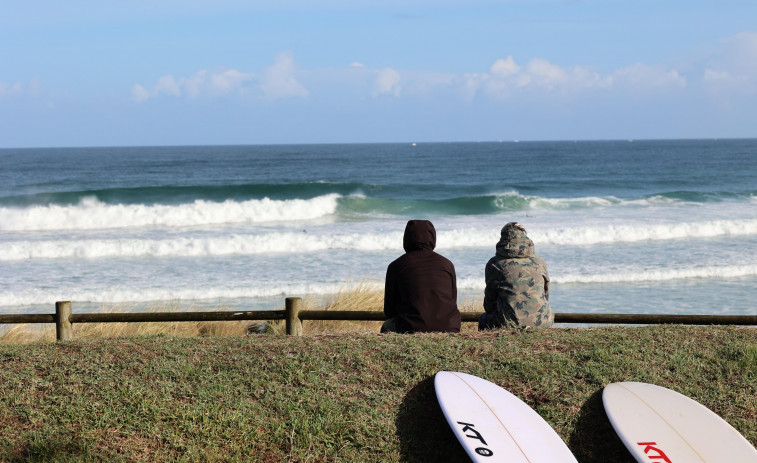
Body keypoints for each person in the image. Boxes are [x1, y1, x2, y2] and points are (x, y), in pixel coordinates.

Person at [381, 220, 460, 334]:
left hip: (410, 327)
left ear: (406, 238)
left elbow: (389, 310)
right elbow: (452, 300)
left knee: (387, 326)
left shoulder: (396, 265)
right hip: (449, 327)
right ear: (433, 237)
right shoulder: (447, 264)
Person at [479, 222, 554, 330]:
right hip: (543, 321)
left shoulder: (495, 263)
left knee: (483, 319)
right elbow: (545, 295)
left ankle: (490, 346)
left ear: (503, 238)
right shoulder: (540, 262)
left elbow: (490, 301)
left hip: (509, 324)